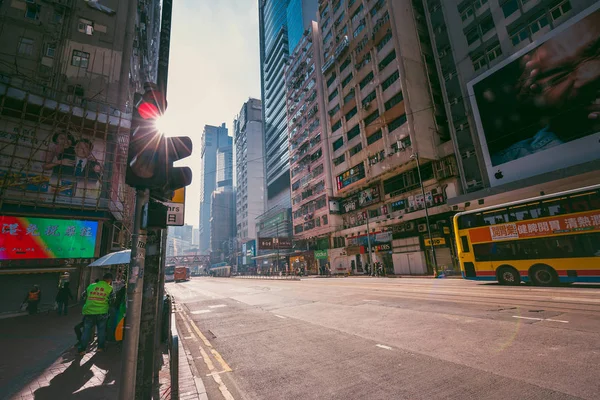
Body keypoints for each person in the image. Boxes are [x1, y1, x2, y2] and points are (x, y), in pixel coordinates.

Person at [77, 273, 114, 355]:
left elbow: (83, 296)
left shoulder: (91, 286)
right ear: (110, 280)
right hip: (102, 312)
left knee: (86, 331)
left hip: (89, 312)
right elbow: (112, 301)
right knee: (101, 331)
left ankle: (82, 349)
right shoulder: (109, 288)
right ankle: (100, 348)